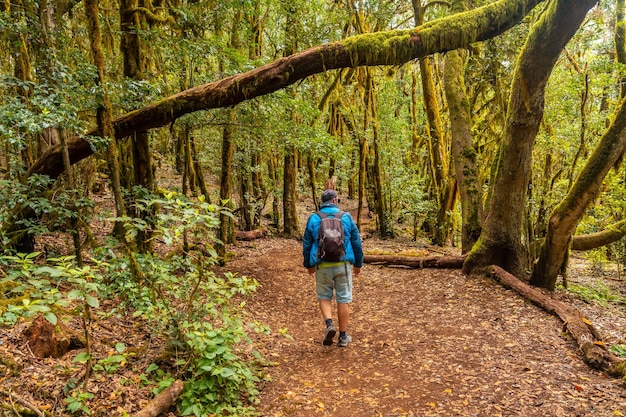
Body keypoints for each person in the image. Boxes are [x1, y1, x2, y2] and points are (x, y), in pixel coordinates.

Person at [302, 189, 364, 347]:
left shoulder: (314, 218)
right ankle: (343, 337)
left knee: (324, 296)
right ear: (335, 201)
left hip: (322, 264)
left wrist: (308, 264)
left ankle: (329, 324)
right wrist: (358, 263)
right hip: (342, 264)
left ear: (322, 202)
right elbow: (356, 241)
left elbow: (307, 244)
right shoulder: (346, 217)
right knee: (343, 298)